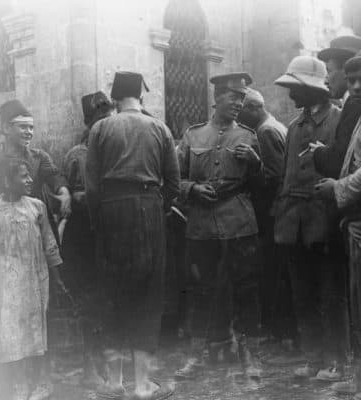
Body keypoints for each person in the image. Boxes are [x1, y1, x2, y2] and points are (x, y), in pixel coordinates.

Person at [85, 71, 179, 400]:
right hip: (149, 211)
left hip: (111, 212)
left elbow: (91, 186)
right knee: (148, 295)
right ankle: (142, 385)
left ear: (114, 98)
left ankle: (115, 381)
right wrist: (155, 208)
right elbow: (174, 184)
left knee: (113, 293)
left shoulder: (99, 128)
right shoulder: (160, 128)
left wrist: (102, 218)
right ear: (141, 97)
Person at [174, 72, 264, 380]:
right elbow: (175, 180)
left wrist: (255, 162)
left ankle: (249, 356)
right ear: (216, 99)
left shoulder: (250, 136)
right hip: (201, 226)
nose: (238, 103)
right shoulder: (193, 136)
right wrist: (192, 190)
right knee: (200, 291)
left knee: (247, 291)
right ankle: (196, 356)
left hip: (239, 224)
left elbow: (263, 185)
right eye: (232, 97)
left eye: (242, 98)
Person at [313, 45, 361, 400]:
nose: (356, 86)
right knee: (359, 303)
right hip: (356, 220)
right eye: (353, 80)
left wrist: (337, 189)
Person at [272, 55, 343, 380]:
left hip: (324, 220)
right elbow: (287, 177)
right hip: (293, 222)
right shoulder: (294, 127)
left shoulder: (339, 121)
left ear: (314, 89)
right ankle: (313, 358)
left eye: (295, 87)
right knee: (302, 293)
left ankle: (335, 361)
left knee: (329, 293)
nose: (291, 95)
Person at [0, 157, 66, 400]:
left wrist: (58, 279)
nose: (30, 180)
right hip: (7, 283)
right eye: (23, 176)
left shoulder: (36, 207)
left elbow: (49, 244)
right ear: (7, 181)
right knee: (12, 333)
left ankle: (42, 383)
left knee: (37, 330)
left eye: (30, 175)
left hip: (35, 278)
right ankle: (20, 384)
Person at [61, 90, 113, 389]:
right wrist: (82, 197)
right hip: (83, 236)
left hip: (109, 233)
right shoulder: (76, 155)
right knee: (88, 302)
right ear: (89, 122)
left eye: (108, 118)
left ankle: (105, 362)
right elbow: (66, 197)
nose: (104, 124)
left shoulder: (116, 149)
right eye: (98, 120)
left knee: (107, 300)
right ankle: (89, 367)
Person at [0, 100, 71, 244]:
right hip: (7, 236)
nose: (29, 132)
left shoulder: (39, 157)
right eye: (23, 127)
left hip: (39, 230)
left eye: (31, 128)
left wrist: (64, 193)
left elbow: (54, 176)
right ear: (6, 128)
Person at [237, 88, 291, 342]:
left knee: (272, 270)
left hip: (272, 214)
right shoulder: (273, 126)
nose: (239, 118)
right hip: (278, 212)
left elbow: (273, 177)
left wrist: (251, 165)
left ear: (255, 108)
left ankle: (276, 330)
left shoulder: (266, 131)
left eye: (242, 111)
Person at [313, 34, 361, 179]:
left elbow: (339, 162)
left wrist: (319, 152)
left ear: (348, 72)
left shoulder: (354, 103)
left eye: (329, 71)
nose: (326, 80)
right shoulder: (357, 102)